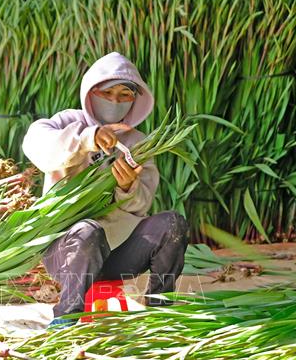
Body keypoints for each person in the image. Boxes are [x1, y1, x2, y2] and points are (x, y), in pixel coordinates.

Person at [22, 52, 190, 328]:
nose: (114, 101)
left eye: (125, 94)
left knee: (172, 223)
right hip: (68, 252)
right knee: (88, 230)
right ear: (91, 93)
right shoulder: (67, 122)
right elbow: (37, 146)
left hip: (118, 254)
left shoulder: (139, 144)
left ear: (136, 100)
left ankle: (161, 309)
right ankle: (67, 316)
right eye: (107, 92)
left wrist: (127, 188)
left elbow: (141, 204)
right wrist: (87, 139)